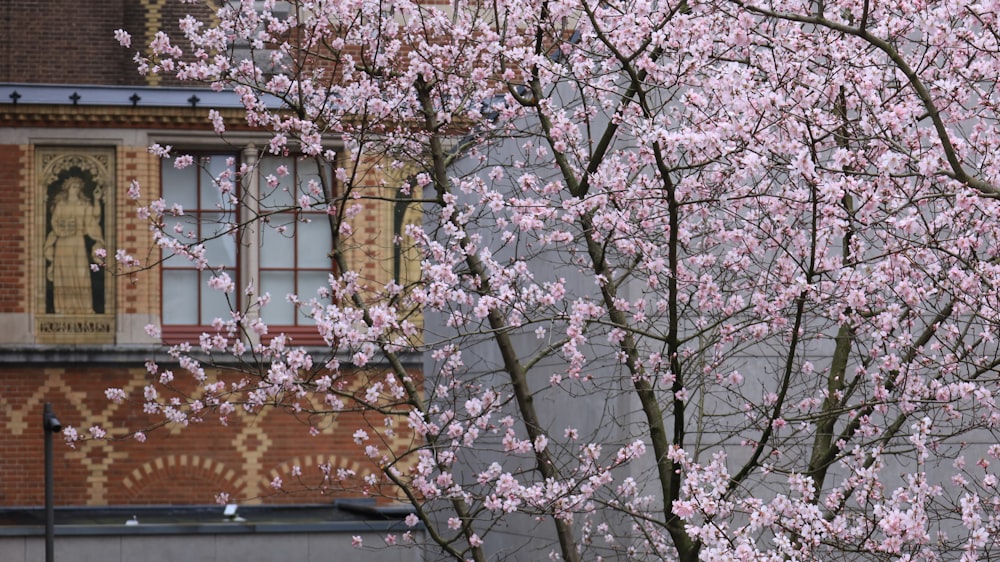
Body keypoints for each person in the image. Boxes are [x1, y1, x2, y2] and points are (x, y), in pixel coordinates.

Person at [43, 177, 105, 314]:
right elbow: (55, 221)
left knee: (81, 274)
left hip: (77, 242)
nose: (75, 189)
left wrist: (96, 199)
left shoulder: (84, 204)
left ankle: (84, 307)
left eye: (78, 187)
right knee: (64, 275)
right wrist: (60, 231)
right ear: (67, 188)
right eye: (73, 187)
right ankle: (63, 308)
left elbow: (93, 218)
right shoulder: (61, 204)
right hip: (62, 243)